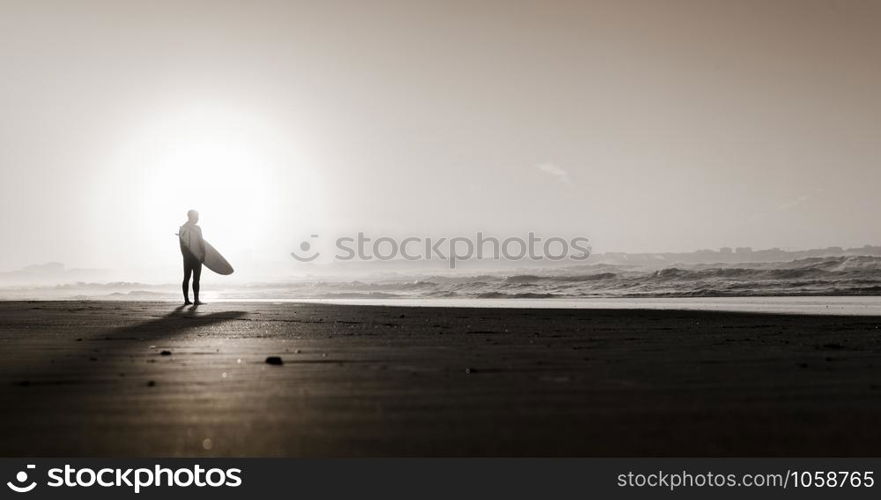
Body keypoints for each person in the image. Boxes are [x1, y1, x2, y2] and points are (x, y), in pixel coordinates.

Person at [178, 209, 206, 305]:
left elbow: (201, 242)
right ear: (190, 217)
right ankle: (187, 300)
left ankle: (196, 300)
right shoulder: (183, 228)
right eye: (196, 216)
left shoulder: (198, 228)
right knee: (187, 278)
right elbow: (182, 244)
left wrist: (203, 254)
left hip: (196, 257)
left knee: (196, 279)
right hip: (190, 257)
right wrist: (186, 256)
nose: (198, 219)